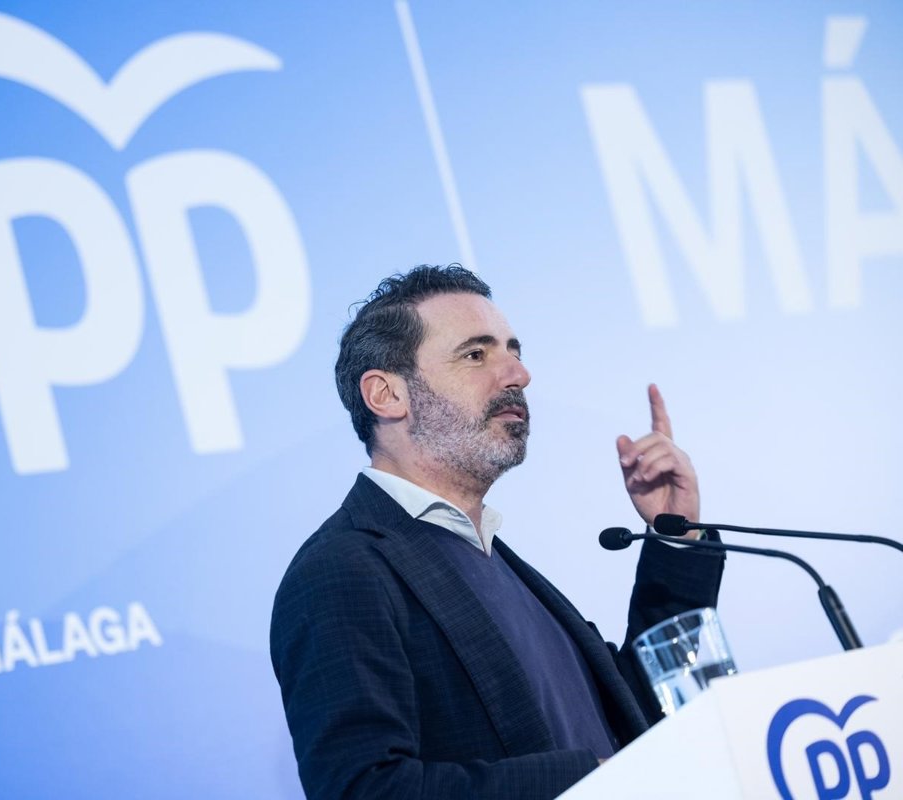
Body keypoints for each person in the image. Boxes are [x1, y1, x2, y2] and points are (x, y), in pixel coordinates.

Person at [270, 265, 725, 799]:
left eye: (514, 351)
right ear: (386, 394)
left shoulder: (495, 559)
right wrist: (594, 780)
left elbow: (633, 720)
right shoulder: (341, 571)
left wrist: (676, 537)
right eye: (475, 354)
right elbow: (365, 789)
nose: (519, 374)